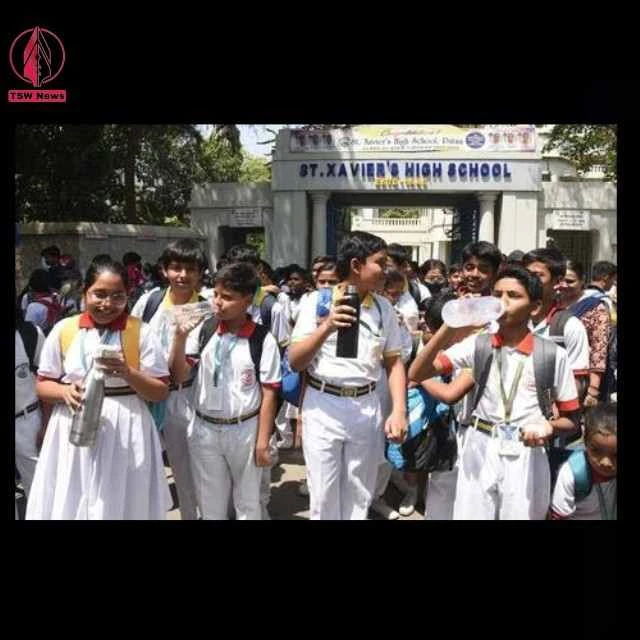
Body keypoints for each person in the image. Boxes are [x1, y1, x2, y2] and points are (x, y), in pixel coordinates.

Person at [409, 266, 580, 520]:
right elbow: (418, 372)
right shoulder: (478, 344)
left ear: (534, 307)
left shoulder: (552, 355)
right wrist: (451, 324)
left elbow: (571, 419)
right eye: (498, 294)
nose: (503, 302)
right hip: (480, 444)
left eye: (513, 295)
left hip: (526, 450)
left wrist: (549, 427)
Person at [26, 259, 171, 519]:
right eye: (99, 294)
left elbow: (160, 391)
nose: (107, 304)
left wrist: (129, 373)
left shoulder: (140, 332)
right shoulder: (65, 329)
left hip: (127, 425)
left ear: (128, 296)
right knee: (74, 493)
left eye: (118, 296)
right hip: (73, 424)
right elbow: (42, 384)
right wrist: (64, 392)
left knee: (125, 497)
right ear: (85, 293)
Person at [289, 231, 407, 520]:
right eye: (379, 262)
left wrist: (400, 411)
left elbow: (394, 364)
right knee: (324, 491)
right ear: (356, 265)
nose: (386, 270)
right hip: (323, 405)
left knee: (359, 491)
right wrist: (327, 326)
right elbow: (295, 361)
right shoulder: (317, 301)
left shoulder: (383, 308)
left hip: (366, 407)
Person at [169, 262, 281, 520]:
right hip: (205, 428)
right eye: (216, 294)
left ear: (248, 300)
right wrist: (179, 339)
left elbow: (269, 394)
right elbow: (180, 375)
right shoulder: (206, 330)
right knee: (209, 503)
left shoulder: (262, 339)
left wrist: (263, 441)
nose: (218, 302)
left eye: (228, 297)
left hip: (245, 429)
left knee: (248, 503)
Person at [130, 239, 207, 520]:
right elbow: (131, 340)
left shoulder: (207, 310)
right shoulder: (149, 302)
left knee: (192, 471)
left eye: (190, 269)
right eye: (176, 268)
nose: (183, 276)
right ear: (164, 270)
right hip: (147, 396)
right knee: (155, 467)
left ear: (200, 273)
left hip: (187, 398)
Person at [550, 403, 616, 520]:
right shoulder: (573, 472)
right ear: (585, 442)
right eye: (596, 451)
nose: (606, 462)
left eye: (616, 455)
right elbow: (559, 516)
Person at [558, 261, 611, 408]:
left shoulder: (595, 307)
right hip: (552, 373)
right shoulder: (551, 303)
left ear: (582, 280)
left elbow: (598, 349)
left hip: (580, 379)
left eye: (570, 281)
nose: (564, 285)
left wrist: (593, 390)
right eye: (560, 280)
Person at [15, 305, 46, 510]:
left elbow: (48, 378)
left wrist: (46, 425)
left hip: (28, 421)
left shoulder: (29, 334)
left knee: (41, 488)